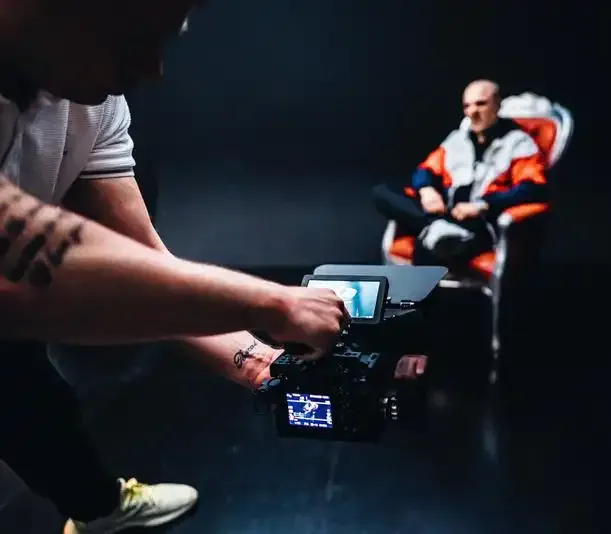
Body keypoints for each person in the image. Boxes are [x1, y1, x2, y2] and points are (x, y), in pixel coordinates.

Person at [0, 1, 428, 533]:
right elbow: (20, 275)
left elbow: (144, 266)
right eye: (132, 37)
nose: (153, 70)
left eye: (164, 41)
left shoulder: (92, 103)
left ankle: (99, 508)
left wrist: (261, 365)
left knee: (29, 387)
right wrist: (274, 304)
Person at [372, 79, 549, 269]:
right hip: (446, 212)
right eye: (467, 106)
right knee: (383, 192)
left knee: (430, 250)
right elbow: (426, 169)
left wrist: (483, 205)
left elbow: (533, 188)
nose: (473, 112)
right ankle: (436, 226)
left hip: (480, 223)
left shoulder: (519, 143)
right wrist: (427, 190)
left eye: (481, 104)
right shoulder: (458, 139)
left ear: (497, 105)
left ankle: (438, 231)